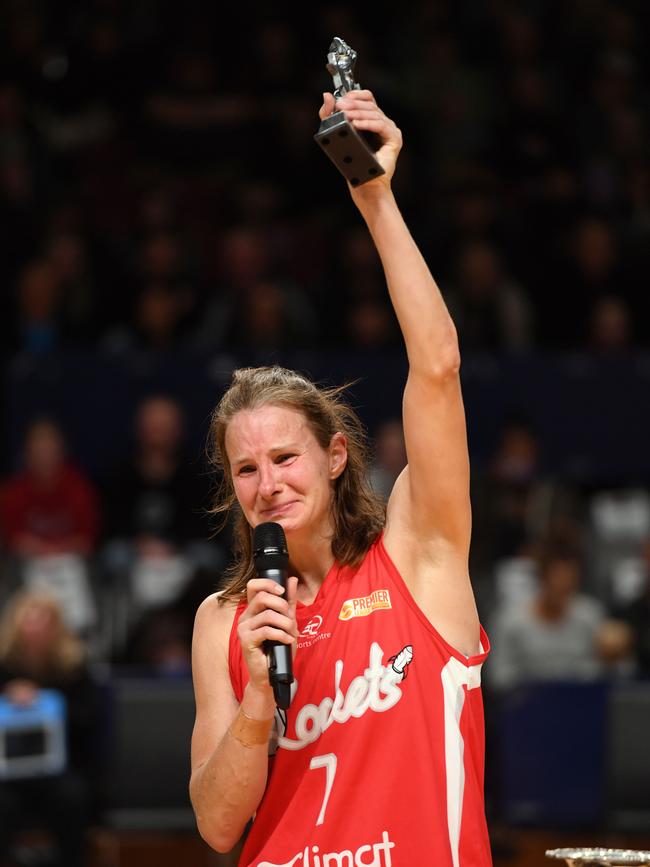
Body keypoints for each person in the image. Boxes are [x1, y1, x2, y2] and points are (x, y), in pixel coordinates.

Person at [190, 90, 492, 866]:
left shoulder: (418, 552)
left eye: (286, 458)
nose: (268, 483)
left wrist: (375, 198)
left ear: (334, 457)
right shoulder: (225, 621)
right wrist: (260, 701)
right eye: (246, 467)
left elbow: (438, 366)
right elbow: (219, 825)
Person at [0, 591, 101, 867]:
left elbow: (89, 719)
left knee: (73, 798)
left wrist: (45, 702)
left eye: (42, 621)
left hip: (61, 770)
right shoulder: (4, 664)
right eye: (29, 621)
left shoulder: (74, 666)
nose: (34, 629)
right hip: (7, 774)